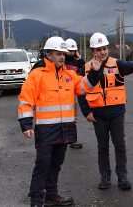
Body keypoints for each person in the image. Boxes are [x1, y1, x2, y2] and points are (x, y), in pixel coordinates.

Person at [18, 36, 102, 207]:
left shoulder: (70, 75)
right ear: (48, 54)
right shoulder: (36, 75)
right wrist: (26, 123)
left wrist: (94, 72)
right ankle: (36, 201)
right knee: (42, 165)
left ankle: (51, 195)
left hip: (64, 128)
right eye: (58, 54)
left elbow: (84, 87)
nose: (62, 57)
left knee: (56, 164)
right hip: (46, 129)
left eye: (63, 54)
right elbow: (26, 100)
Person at [78, 32, 133, 190]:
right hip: (97, 115)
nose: (102, 52)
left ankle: (122, 176)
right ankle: (105, 177)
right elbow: (80, 92)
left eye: (104, 48)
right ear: (92, 51)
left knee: (119, 145)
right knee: (102, 146)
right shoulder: (85, 68)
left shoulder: (117, 64)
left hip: (116, 113)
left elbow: (129, 65)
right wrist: (86, 112)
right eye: (98, 49)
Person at [65, 38, 85, 149]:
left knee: (73, 118)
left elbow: (86, 70)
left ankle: (73, 139)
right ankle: (61, 138)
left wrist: (80, 59)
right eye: (69, 50)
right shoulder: (61, 61)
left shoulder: (77, 62)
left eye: (73, 50)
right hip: (62, 93)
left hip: (73, 94)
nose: (71, 53)